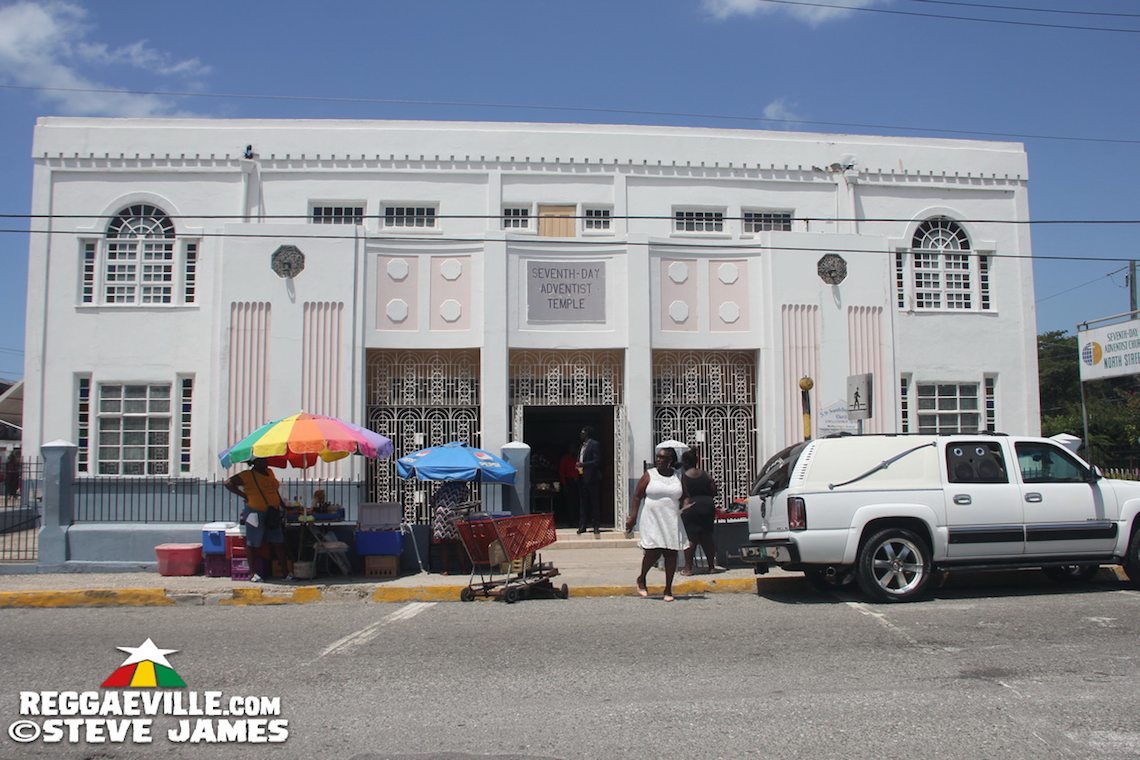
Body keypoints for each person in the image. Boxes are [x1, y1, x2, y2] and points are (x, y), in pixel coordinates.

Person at [624, 446, 688, 602]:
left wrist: (685, 506)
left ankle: (668, 589)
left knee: (671, 553)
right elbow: (637, 496)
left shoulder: (678, 477)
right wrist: (633, 517)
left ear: (670, 461)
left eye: (662, 458)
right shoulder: (649, 475)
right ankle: (642, 578)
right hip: (652, 518)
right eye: (657, 457)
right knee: (653, 551)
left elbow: (685, 496)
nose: (658, 460)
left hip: (671, 518)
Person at [224, 458, 291, 583]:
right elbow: (228, 483)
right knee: (253, 542)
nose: (265, 462)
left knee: (278, 541)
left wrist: (283, 505)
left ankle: (285, 573)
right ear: (254, 462)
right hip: (254, 512)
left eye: (265, 459)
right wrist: (245, 496)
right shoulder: (247, 475)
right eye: (262, 460)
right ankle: (252, 573)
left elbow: (274, 490)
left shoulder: (270, 472)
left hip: (273, 512)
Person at [679, 447, 722, 575]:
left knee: (691, 538)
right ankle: (711, 566)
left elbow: (681, 494)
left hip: (691, 507)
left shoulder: (684, 477)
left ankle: (688, 569)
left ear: (685, 462)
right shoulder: (705, 474)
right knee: (707, 537)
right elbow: (714, 491)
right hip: (707, 506)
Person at [431, 480, 472, 575]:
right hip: (454, 513)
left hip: (441, 513)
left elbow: (432, 500)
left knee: (444, 543)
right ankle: (464, 569)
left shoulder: (443, 487)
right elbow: (463, 503)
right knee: (458, 542)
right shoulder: (463, 488)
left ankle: (445, 570)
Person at [576, 426, 602, 535]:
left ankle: (596, 525)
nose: (581, 434)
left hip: (591, 478)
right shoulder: (582, 446)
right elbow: (580, 458)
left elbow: (597, 461)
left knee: (594, 502)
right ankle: (583, 525)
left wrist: (583, 464)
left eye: (582, 432)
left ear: (587, 433)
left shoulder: (594, 444)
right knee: (583, 502)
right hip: (582, 477)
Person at [557, 442, 580, 528]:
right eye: (571, 448)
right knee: (570, 503)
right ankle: (571, 521)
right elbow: (562, 472)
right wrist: (564, 484)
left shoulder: (578, 458)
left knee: (578, 502)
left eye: (574, 448)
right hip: (569, 482)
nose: (573, 450)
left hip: (577, 482)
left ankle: (578, 520)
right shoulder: (565, 458)